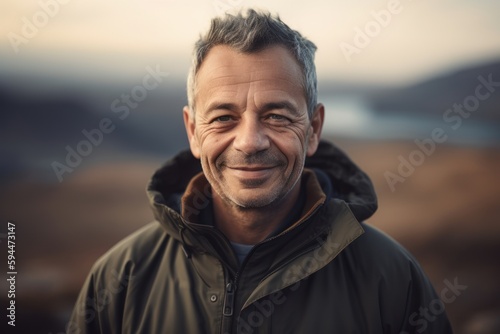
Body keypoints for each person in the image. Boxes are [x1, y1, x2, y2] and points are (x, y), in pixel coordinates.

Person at [69, 9, 453, 334]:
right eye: (223, 118)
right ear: (192, 132)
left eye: (276, 115)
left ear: (313, 129)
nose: (250, 141)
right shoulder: (120, 279)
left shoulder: (392, 281)